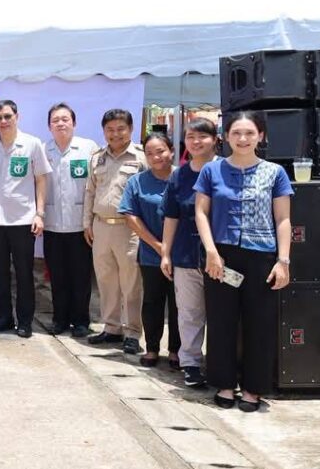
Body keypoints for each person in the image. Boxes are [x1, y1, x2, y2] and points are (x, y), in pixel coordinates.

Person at [195, 111, 293, 413]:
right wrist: (211, 251)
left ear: (260, 136)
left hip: (261, 256)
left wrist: (283, 261)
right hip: (221, 256)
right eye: (236, 132)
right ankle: (224, 383)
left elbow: (283, 219)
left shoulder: (275, 173)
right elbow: (201, 213)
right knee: (221, 320)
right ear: (226, 136)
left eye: (249, 133)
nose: (243, 138)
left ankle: (253, 388)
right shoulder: (212, 171)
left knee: (259, 324)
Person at [0, 99, 51, 338]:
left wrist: (39, 214)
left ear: (17, 117)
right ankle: (4, 317)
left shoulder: (32, 144)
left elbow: (41, 179)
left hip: (22, 220)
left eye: (7, 116)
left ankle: (25, 321)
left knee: (24, 273)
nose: (3, 121)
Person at [160, 118, 219, 389]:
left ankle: (222, 364)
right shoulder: (179, 175)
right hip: (185, 254)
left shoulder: (226, 170)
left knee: (223, 313)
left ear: (215, 139)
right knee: (189, 312)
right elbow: (171, 216)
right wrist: (166, 253)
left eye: (202, 136)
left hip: (221, 256)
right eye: (191, 137)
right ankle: (191, 364)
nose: (196, 142)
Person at [83, 109, 147, 354]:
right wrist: (87, 223)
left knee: (131, 282)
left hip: (129, 228)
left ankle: (132, 332)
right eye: (110, 129)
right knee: (106, 280)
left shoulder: (141, 157)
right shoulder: (97, 158)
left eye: (121, 129)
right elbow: (90, 191)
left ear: (131, 129)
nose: (115, 134)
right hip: (101, 226)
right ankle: (111, 328)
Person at [119, 132, 179, 367]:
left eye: (161, 151)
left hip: (182, 254)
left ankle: (176, 351)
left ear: (171, 151)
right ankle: (152, 348)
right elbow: (130, 216)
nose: (156, 157)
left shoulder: (184, 178)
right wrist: (157, 246)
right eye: (150, 153)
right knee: (153, 301)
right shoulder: (137, 181)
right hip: (151, 254)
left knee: (180, 304)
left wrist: (171, 248)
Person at [42, 103, 98, 338]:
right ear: (49, 126)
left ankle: (81, 321)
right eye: (55, 120)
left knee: (81, 276)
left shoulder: (88, 148)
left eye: (65, 119)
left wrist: (92, 220)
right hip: (52, 224)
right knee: (57, 276)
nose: (60, 123)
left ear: (74, 123)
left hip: (80, 225)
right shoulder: (43, 150)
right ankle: (60, 319)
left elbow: (96, 184)